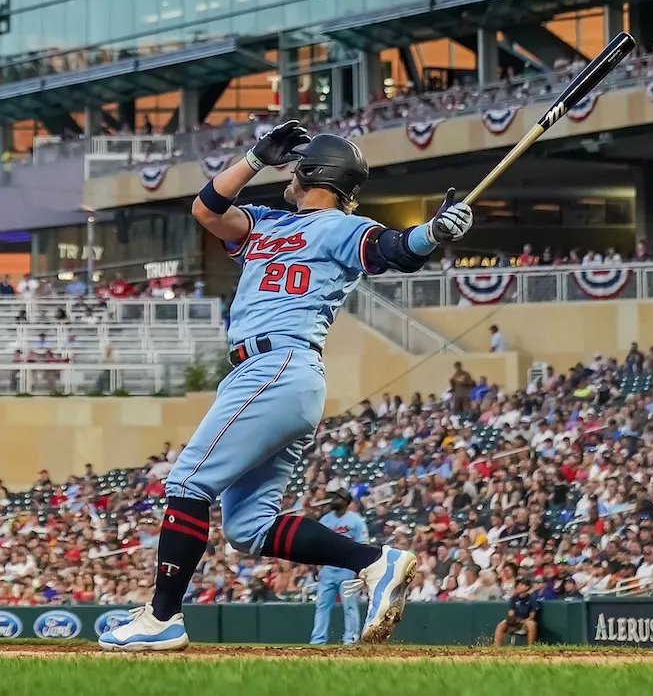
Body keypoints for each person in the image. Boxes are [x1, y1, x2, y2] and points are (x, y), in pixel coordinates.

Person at [97, 123, 472, 651]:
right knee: (249, 528)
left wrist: (435, 232)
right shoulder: (269, 222)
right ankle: (373, 562)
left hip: (277, 364)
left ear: (313, 174)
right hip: (273, 376)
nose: (287, 176)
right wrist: (253, 158)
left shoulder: (342, 226)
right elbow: (206, 210)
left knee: (186, 484)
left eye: (296, 169)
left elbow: (396, 249)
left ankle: (162, 619)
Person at [310, 491, 368, 645]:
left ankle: (350, 639)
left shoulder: (355, 521)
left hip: (347, 569)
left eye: (338, 498)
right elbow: (317, 545)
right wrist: (318, 566)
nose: (333, 500)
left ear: (346, 501)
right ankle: (317, 640)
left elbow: (362, 545)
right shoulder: (325, 520)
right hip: (328, 569)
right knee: (322, 606)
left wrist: (359, 569)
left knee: (349, 606)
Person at [494, 575, 541, 647]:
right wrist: (511, 619)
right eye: (518, 584)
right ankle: (497, 647)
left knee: (531, 624)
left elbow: (532, 617)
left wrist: (521, 621)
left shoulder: (532, 599)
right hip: (515, 622)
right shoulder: (514, 598)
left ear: (527, 587)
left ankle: (531, 647)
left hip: (525, 622)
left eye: (521, 584)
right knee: (501, 624)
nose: (518, 586)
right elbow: (511, 613)